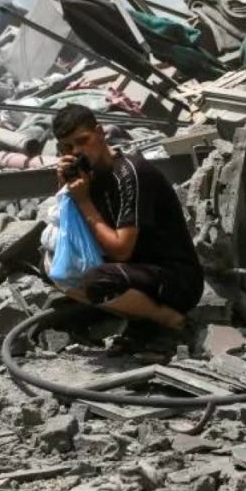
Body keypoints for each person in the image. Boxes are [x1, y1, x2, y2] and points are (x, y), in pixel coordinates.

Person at [52, 104, 203, 350]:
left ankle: (170, 320)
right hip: (134, 270)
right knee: (55, 265)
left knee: (97, 281)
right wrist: (66, 190)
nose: (77, 152)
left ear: (100, 133)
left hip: (176, 280)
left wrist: (83, 201)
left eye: (83, 141)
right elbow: (71, 237)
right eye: (68, 148)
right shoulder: (87, 177)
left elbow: (121, 250)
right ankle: (139, 319)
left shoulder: (130, 173)